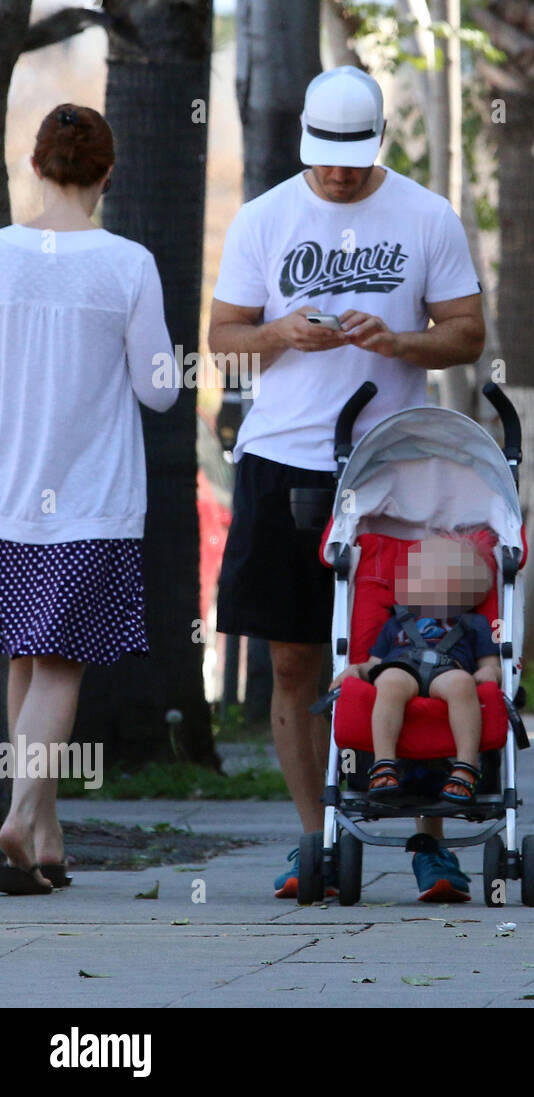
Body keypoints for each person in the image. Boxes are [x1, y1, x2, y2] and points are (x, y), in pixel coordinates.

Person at [208, 66, 486, 900]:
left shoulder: (426, 215)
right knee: (293, 660)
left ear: (379, 147)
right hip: (283, 460)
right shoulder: (263, 218)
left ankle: (430, 838)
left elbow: (469, 332)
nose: (336, 176)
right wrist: (282, 332)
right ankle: (312, 837)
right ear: (305, 145)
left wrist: (401, 343)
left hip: (397, 468)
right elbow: (221, 339)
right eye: (324, 160)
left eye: (352, 161)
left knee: (418, 652)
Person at [0, 105, 178, 894]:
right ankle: (19, 810)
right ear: (107, 175)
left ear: (36, 167)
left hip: (7, 497)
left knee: (25, 655)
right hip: (92, 501)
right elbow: (159, 392)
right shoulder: (128, 264)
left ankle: (44, 833)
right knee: (62, 665)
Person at [329, 534, 500, 807]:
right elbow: (374, 662)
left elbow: (490, 664)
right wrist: (357, 670)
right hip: (400, 665)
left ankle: (466, 766)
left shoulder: (475, 623)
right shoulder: (396, 622)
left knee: (462, 685)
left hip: (449, 669)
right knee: (389, 682)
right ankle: (384, 763)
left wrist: (491, 673)